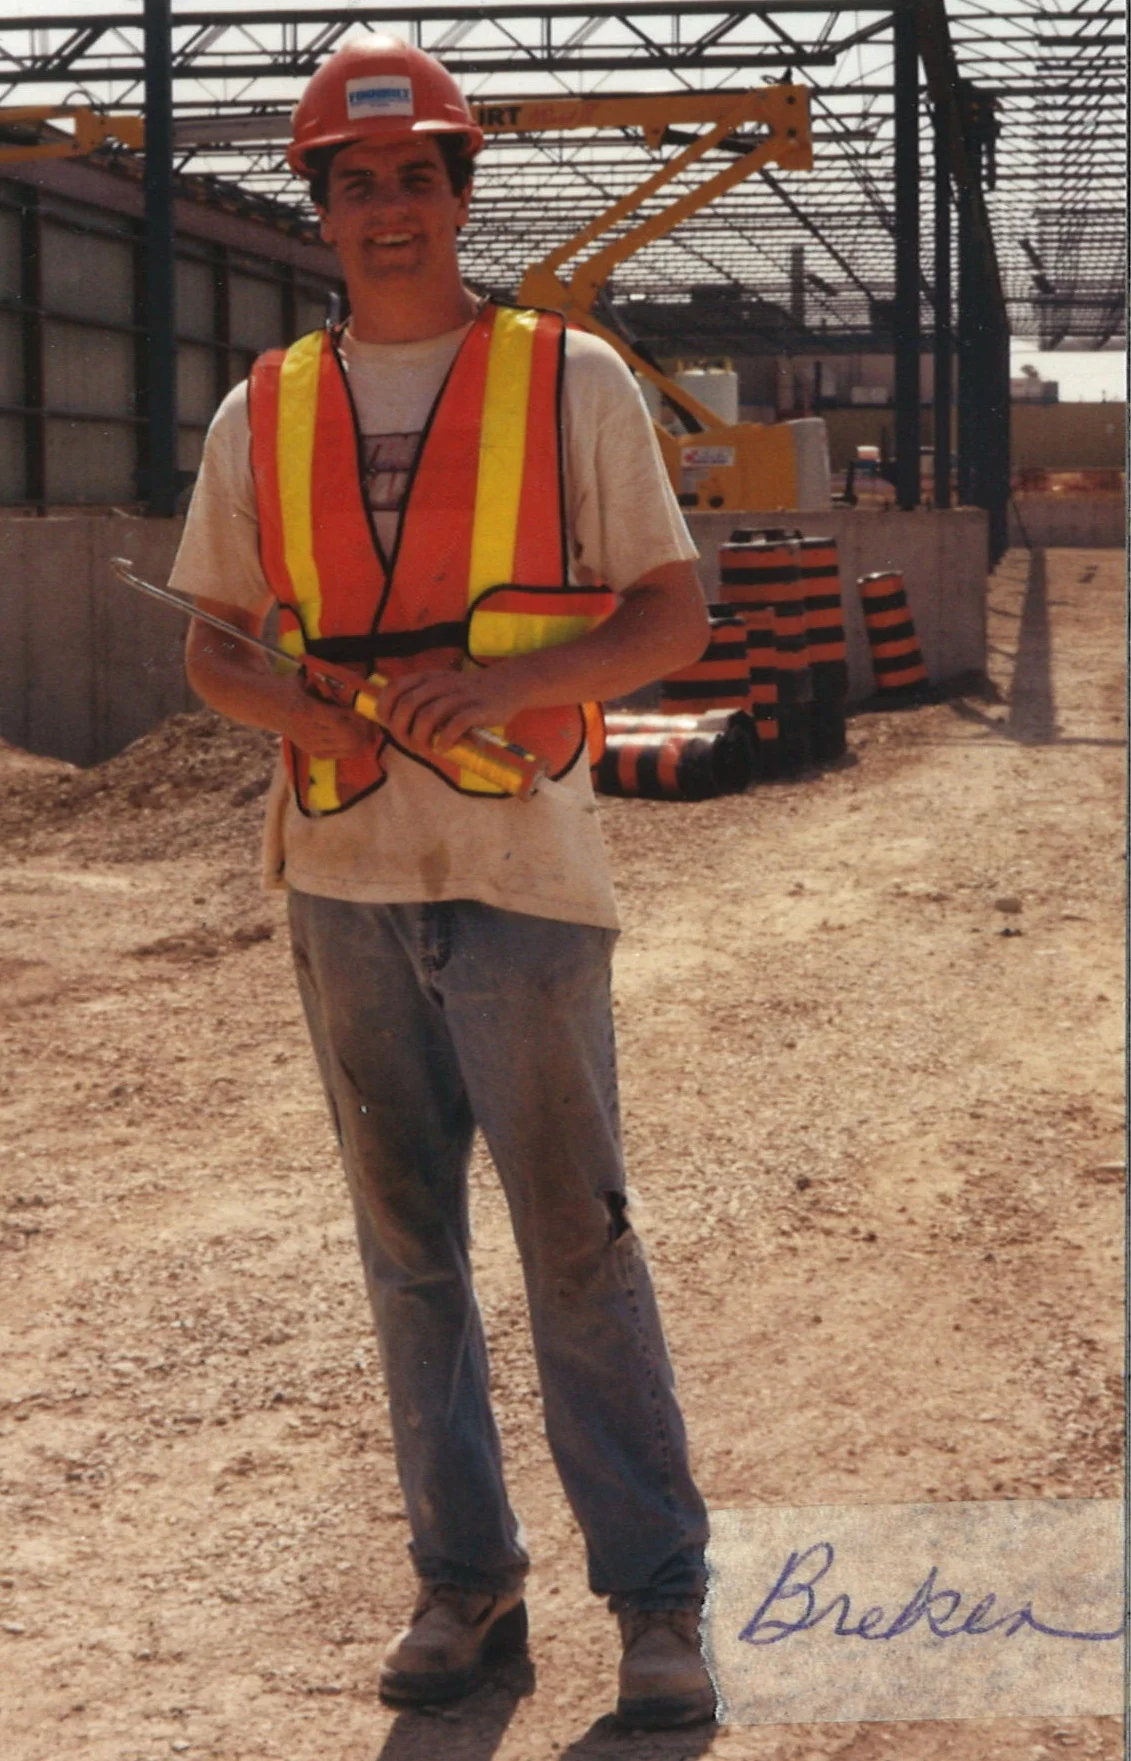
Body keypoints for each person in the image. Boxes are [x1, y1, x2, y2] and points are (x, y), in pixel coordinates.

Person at [171, 33, 715, 1731]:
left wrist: (506, 689)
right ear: (323, 210)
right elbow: (212, 646)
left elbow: (669, 614)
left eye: (416, 175)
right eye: (357, 183)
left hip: (520, 876)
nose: (388, 206)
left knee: (575, 1245)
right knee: (408, 1253)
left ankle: (656, 1600)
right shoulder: (262, 411)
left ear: (459, 195)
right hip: (342, 879)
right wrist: (298, 704)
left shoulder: (572, 383)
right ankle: (463, 1582)